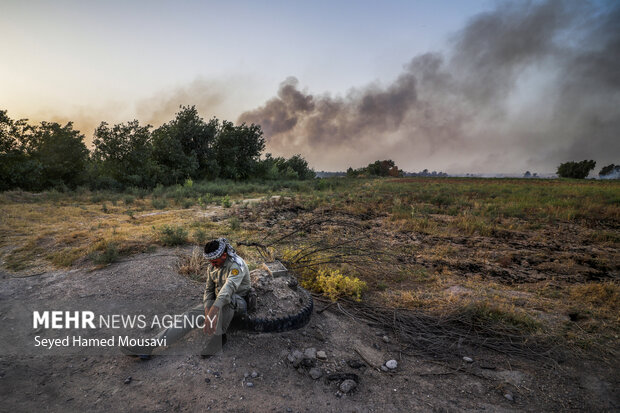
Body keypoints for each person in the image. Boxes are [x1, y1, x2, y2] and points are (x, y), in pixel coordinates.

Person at [121, 238, 252, 359]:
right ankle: (149, 346)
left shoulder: (236, 266)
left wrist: (212, 312)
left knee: (228, 299)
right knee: (189, 316)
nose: (212, 265)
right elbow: (208, 290)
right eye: (210, 262)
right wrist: (207, 309)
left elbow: (227, 291)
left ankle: (219, 337)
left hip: (238, 303)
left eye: (215, 262)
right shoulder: (213, 265)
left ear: (224, 255)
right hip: (218, 301)